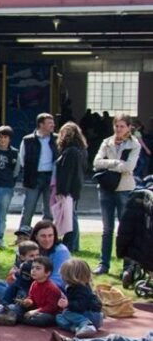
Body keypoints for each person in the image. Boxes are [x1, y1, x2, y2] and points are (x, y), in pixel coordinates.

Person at [92, 113, 140, 275]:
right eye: (116, 126)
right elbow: (97, 162)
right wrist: (115, 163)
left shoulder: (134, 144)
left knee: (125, 229)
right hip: (106, 188)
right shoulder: (107, 142)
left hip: (124, 189)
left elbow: (129, 167)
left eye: (122, 126)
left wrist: (111, 165)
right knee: (107, 229)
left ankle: (127, 267)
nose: (119, 129)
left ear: (129, 127)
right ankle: (103, 264)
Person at [0, 256, 63, 327]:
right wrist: (28, 301)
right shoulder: (34, 283)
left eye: (38, 268)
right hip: (35, 309)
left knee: (43, 319)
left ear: (47, 273)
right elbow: (31, 297)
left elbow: (51, 308)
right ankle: (13, 317)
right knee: (15, 307)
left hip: (47, 313)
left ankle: (15, 318)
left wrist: (35, 311)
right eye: (32, 268)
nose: (33, 270)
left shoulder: (52, 288)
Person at [18, 113, 58, 232]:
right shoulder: (28, 140)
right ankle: (23, 234)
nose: (53, 125)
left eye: (53, 122)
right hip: (34, 176)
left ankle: (47, 234)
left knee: (49, 209)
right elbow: (22, 158)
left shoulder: (56, 139)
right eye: (49, 123)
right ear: (41, 124)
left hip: (51, 176)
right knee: (29, 207)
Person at [54, 122, 88, 253]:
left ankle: (71, 243)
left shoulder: (70, 151)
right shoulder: (81, 150)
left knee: (70, 216)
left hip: (69, 188)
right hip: (76, 186)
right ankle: (73, 242)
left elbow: (66, 173)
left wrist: (62, 190)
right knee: (72, 215)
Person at [55, 259, 103, 337]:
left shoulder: (82, 289)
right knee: (59, 317)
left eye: (63, 275)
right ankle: (76, 328)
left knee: (67, 312)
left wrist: (68, 304)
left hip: (91, 316)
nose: (61, 277)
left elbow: (81, 306)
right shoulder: (71, 287)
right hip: (83, 316)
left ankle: (87, 325)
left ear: (71, 276)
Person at [0, 240, 40, 313]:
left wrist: (19, 272)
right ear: (22, 257)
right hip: (16, 290)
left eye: (37, 255)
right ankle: (5, 305)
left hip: (28, 294)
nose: (35, 258)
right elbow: (12, 278)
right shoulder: (22, 264)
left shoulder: (36, 265)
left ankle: (6, 306)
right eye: (31, 256)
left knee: (15, 288)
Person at [29, 220, 70, 289]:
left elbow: (58, 280)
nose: (47, 239)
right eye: (43, 236)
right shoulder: (30, 249)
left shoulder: (61, 251)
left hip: (53, 289)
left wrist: (35, 289)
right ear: (36, 236)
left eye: (50, 235)